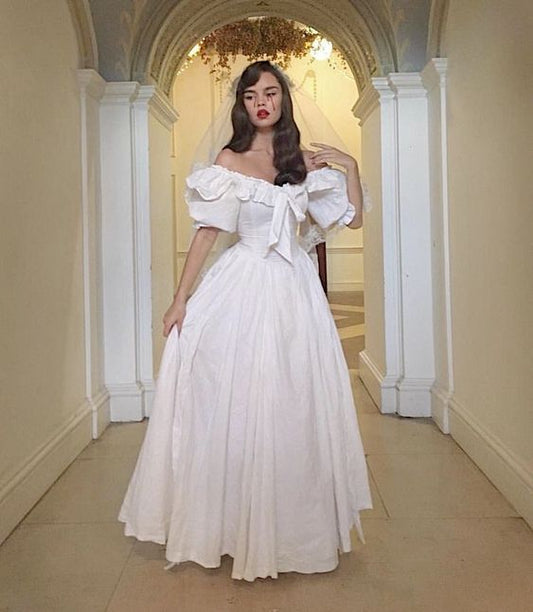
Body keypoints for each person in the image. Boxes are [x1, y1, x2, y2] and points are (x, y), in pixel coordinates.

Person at [119, 60, 373, 582]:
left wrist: (349, 165)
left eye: (271, 93)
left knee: (293, 401)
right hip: (244, 282)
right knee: (238, 396)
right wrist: (180, 300)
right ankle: (231, 525)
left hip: (295, 291)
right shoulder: (228, 160)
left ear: (283, 100)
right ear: (242, 104)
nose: (262, 102)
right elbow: (208, 233)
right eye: (252, 94)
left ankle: (291, 529)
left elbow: (353, 218)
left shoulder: (301, 161)